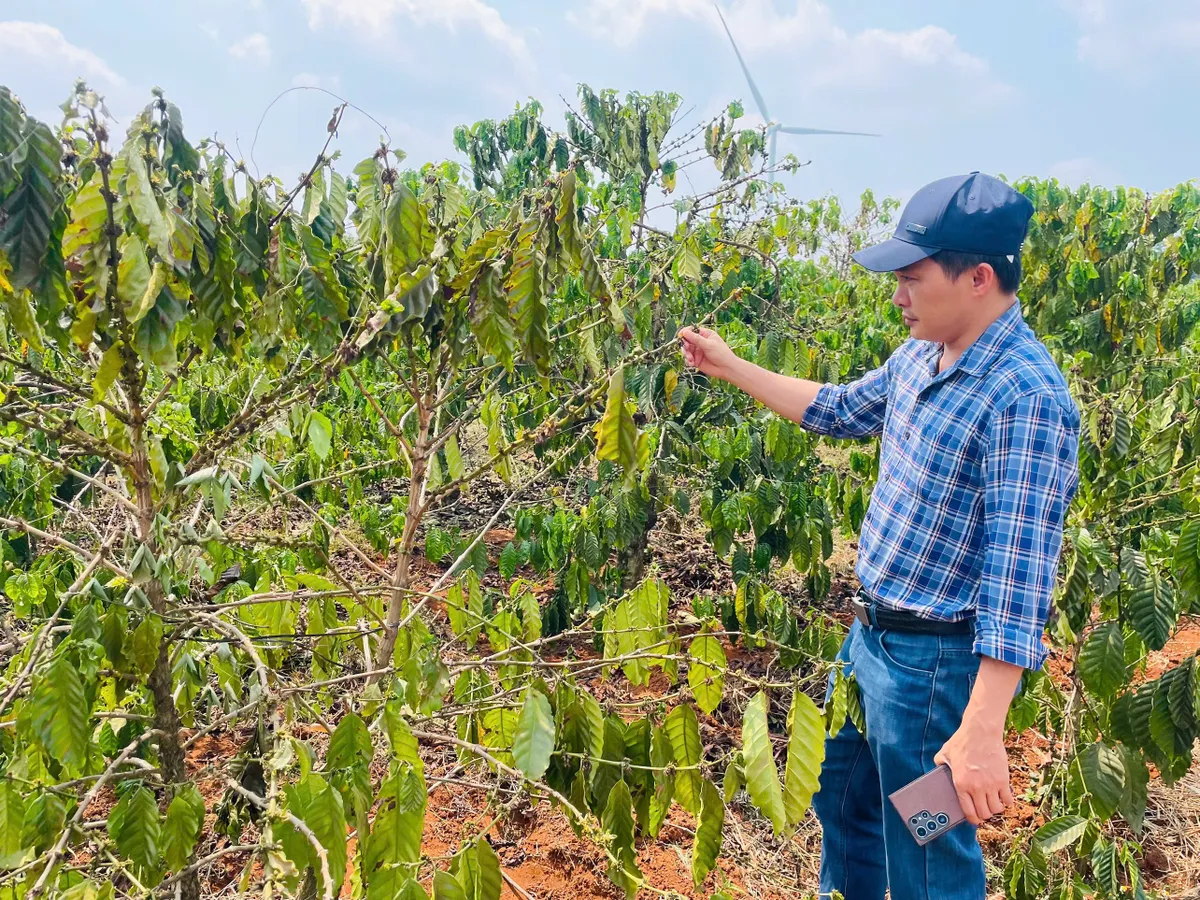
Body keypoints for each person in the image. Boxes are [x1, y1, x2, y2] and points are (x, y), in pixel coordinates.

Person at [678, 172, 1081, 900]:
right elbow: (836, 410)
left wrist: (982, 729)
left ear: (978, 278)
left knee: (926, 849)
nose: (898, 297)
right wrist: (729, 365)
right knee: (841, 801)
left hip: (933, 675)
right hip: (867, 642)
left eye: (911, 279)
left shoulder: (1025, 397)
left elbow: (1018, 581)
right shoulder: (920, 354)